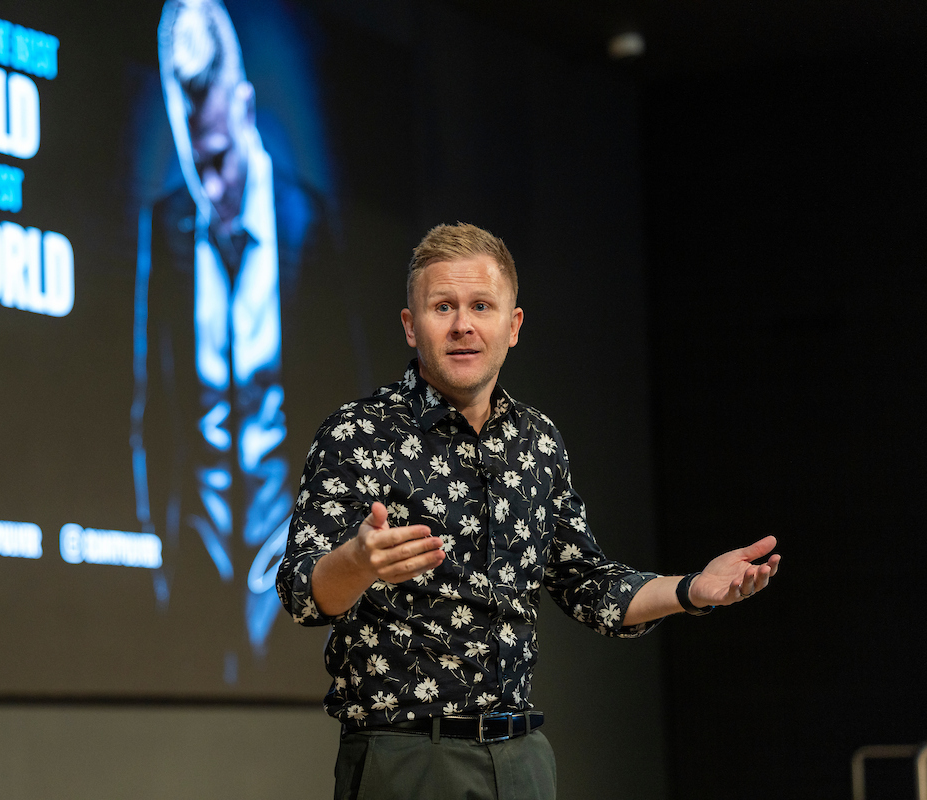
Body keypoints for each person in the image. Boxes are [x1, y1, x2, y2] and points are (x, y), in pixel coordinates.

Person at [276, 222, 780, 799]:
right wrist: (357, 562)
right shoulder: (357, 433)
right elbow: (301, 594)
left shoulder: (537, 441)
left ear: (512, 326)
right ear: (411, 328)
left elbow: (588, 586)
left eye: (481, 305)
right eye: (442, 307)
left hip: (522, 761)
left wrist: (693, 589)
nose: (463, 324)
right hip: (407, 756)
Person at [133, 0, 342, 656]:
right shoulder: (166, 226)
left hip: (298, 563)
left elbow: (350, 406)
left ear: (246, 108)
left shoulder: (306, 224)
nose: (211, 190)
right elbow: (147, 410)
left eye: (220, 163)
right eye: (198, 169)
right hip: (196, 568)